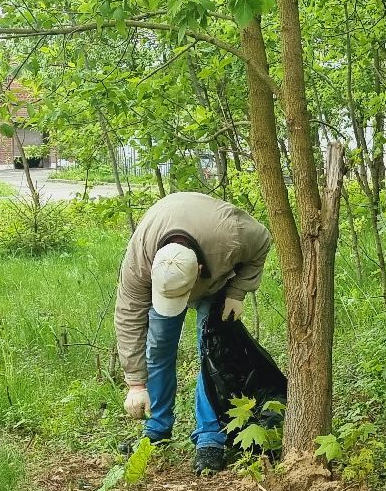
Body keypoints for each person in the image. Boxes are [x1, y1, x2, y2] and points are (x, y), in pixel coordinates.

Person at [115, 191, 272, 473]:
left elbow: (263, 241)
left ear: (198, 269)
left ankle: (210, 437)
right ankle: (156, 429)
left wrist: (237, 291)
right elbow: (128, 317)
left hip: (215, 279)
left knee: (210, 353)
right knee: (159, 345)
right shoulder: (139, 261)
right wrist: (136, 384)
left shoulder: (232, 235)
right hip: (174, 263)